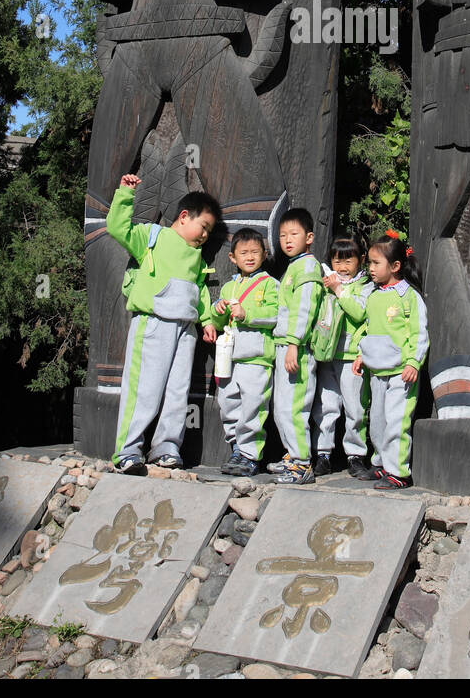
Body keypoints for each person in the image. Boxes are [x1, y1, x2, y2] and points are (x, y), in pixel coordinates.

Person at [107, 173, 220, 474]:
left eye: (210, 231)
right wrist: (125, 194)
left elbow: (200, 290)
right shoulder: (152, 236)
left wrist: (207, 320)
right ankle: (127, 450)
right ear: (184, 217)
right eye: (204, 227)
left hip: (186, 329)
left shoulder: (196, 256)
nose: (205, 236)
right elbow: (117, 229)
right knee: (144, 388)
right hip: (153, 323)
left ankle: (166, 447)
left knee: (177, 390)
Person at [347, 234, 428, 490]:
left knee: (396, 422)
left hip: (401, 373)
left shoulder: (409, 297)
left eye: (375, 263)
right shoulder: (373, 295)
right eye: (369, 263)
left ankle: (398, 473)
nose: (370, 268)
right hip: (377, 371)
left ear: (394, 266)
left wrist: (414, 362)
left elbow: (419, 333)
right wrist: (363, 354)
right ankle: (381, 464)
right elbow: (370, 330)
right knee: (378, 423)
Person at [212, 228, 280, 478]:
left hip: (256, 358)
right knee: (228, 404)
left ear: (264, 254)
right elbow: (219, 323)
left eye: (255, 252)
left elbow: (276, 315)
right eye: (244, 253)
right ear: (233, 258)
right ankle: (237, 448)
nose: (249, 257)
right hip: (229, 359)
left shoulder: (271, 284)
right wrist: (217, 312)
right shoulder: (229, 286)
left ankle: (250, 455)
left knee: (253, 406)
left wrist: (247, 315)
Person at [268, 207, 326, 485]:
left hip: (298, 349)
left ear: (309, 237)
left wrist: (294, 344)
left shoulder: (307, 266)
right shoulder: (294, 266)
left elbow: (305, 309)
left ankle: (302, 463)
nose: (287, 240)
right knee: (282, 406)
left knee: (293, 407)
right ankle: (293, 454)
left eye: (294, 234)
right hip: (286, 345)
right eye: (282, 235)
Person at [311, 234, 374, 478]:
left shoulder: (366, 286)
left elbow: (359, 313)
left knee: (355, 408)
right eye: (338, 261)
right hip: (327, 355)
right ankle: (323, 454)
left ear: (361, 260)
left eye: (349, 260)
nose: (343, 267)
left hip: (351, 356)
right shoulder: (326, 282)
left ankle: (356, 455)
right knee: (326, 407)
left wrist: (339, 290)